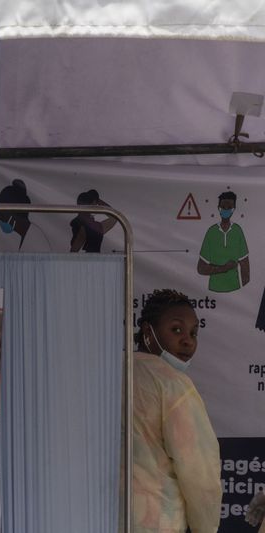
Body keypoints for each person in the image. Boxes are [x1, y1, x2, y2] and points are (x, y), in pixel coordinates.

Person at [132, 289, 221, 533]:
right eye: (176, 329)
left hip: (95, 516)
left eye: (193, 333)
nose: (188, 341)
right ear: (149, 333)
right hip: (154, 523)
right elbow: (200, 474)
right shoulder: (173, 384)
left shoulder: (109, 370)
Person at [197, 190, 250, 292]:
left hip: (235, 290)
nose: (226, 210)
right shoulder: (211, 232)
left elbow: (245, 266)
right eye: (223, 207)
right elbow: (201, 268)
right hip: (213, 292)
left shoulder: (237, 231)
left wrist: (244, 293)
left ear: (234, 209)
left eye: (229, 207)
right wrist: (224, 268)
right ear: (218, 208)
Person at [0, 179, 52, 251]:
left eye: (2, 216)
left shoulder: (37, 240)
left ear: (14, 214)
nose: (0, 220)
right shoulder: (22, 237)